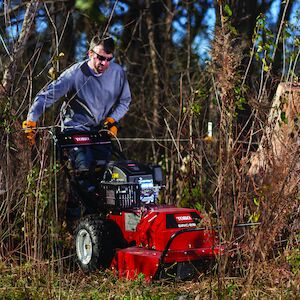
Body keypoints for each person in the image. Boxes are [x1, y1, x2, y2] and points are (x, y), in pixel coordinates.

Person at [23, 34, 132, 218]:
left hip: (99, 130)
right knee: (84, 169)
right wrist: (31, 120)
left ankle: (103, 218)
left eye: (108, 59)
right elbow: (45, 96)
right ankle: (77, 221)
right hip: (75, 130)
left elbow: (125, 101)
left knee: (109, 173)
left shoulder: (117, 73)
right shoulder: (75, 73)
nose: (104, 63)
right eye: (100, 58)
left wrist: (112, 120)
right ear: (90, 53)